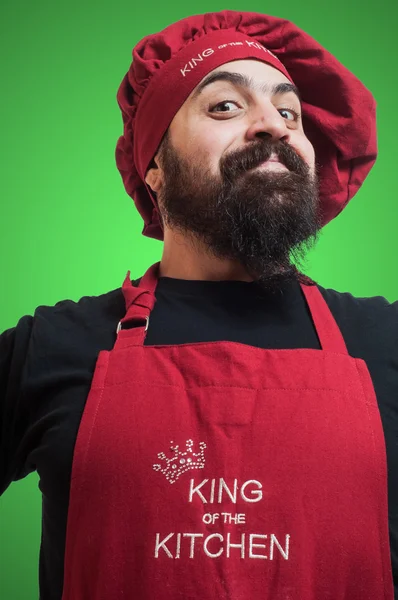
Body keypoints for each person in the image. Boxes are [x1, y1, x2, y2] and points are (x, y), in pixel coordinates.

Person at [0, 9, 397, 600]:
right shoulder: (52, 346)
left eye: (290, 113)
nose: (274, 126)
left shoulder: (387, 340)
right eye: (226, 107)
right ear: (153, 167)